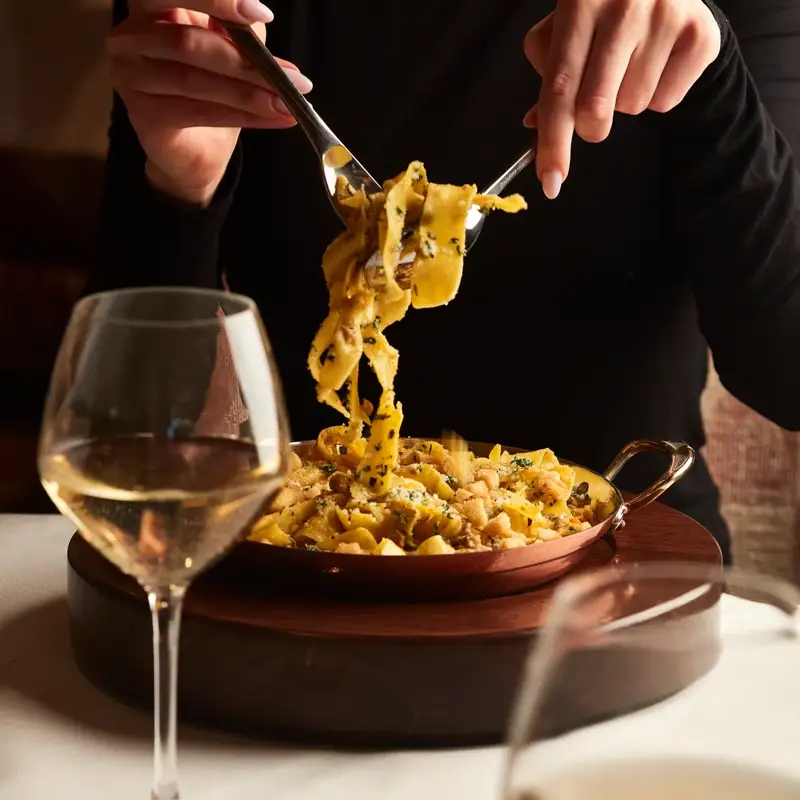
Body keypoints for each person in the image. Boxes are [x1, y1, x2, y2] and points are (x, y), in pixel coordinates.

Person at [91, 0, 800, 564]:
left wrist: (710, 78)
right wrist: (181, 188)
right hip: (301, 574)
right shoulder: (225, 17)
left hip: (628, 568)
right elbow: (122, 437)